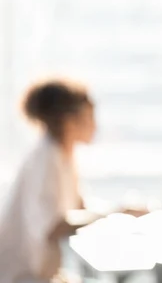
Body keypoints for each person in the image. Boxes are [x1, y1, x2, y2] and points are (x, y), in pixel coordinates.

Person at [0, 79, 97, 283]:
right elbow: (53, 226)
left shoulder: (63, 156)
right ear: (69, 121)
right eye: (89, 116)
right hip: (20, 276)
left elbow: (80, 208)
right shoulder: (46, 159)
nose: (95, 124)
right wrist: (112, 215)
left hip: (41, 273)